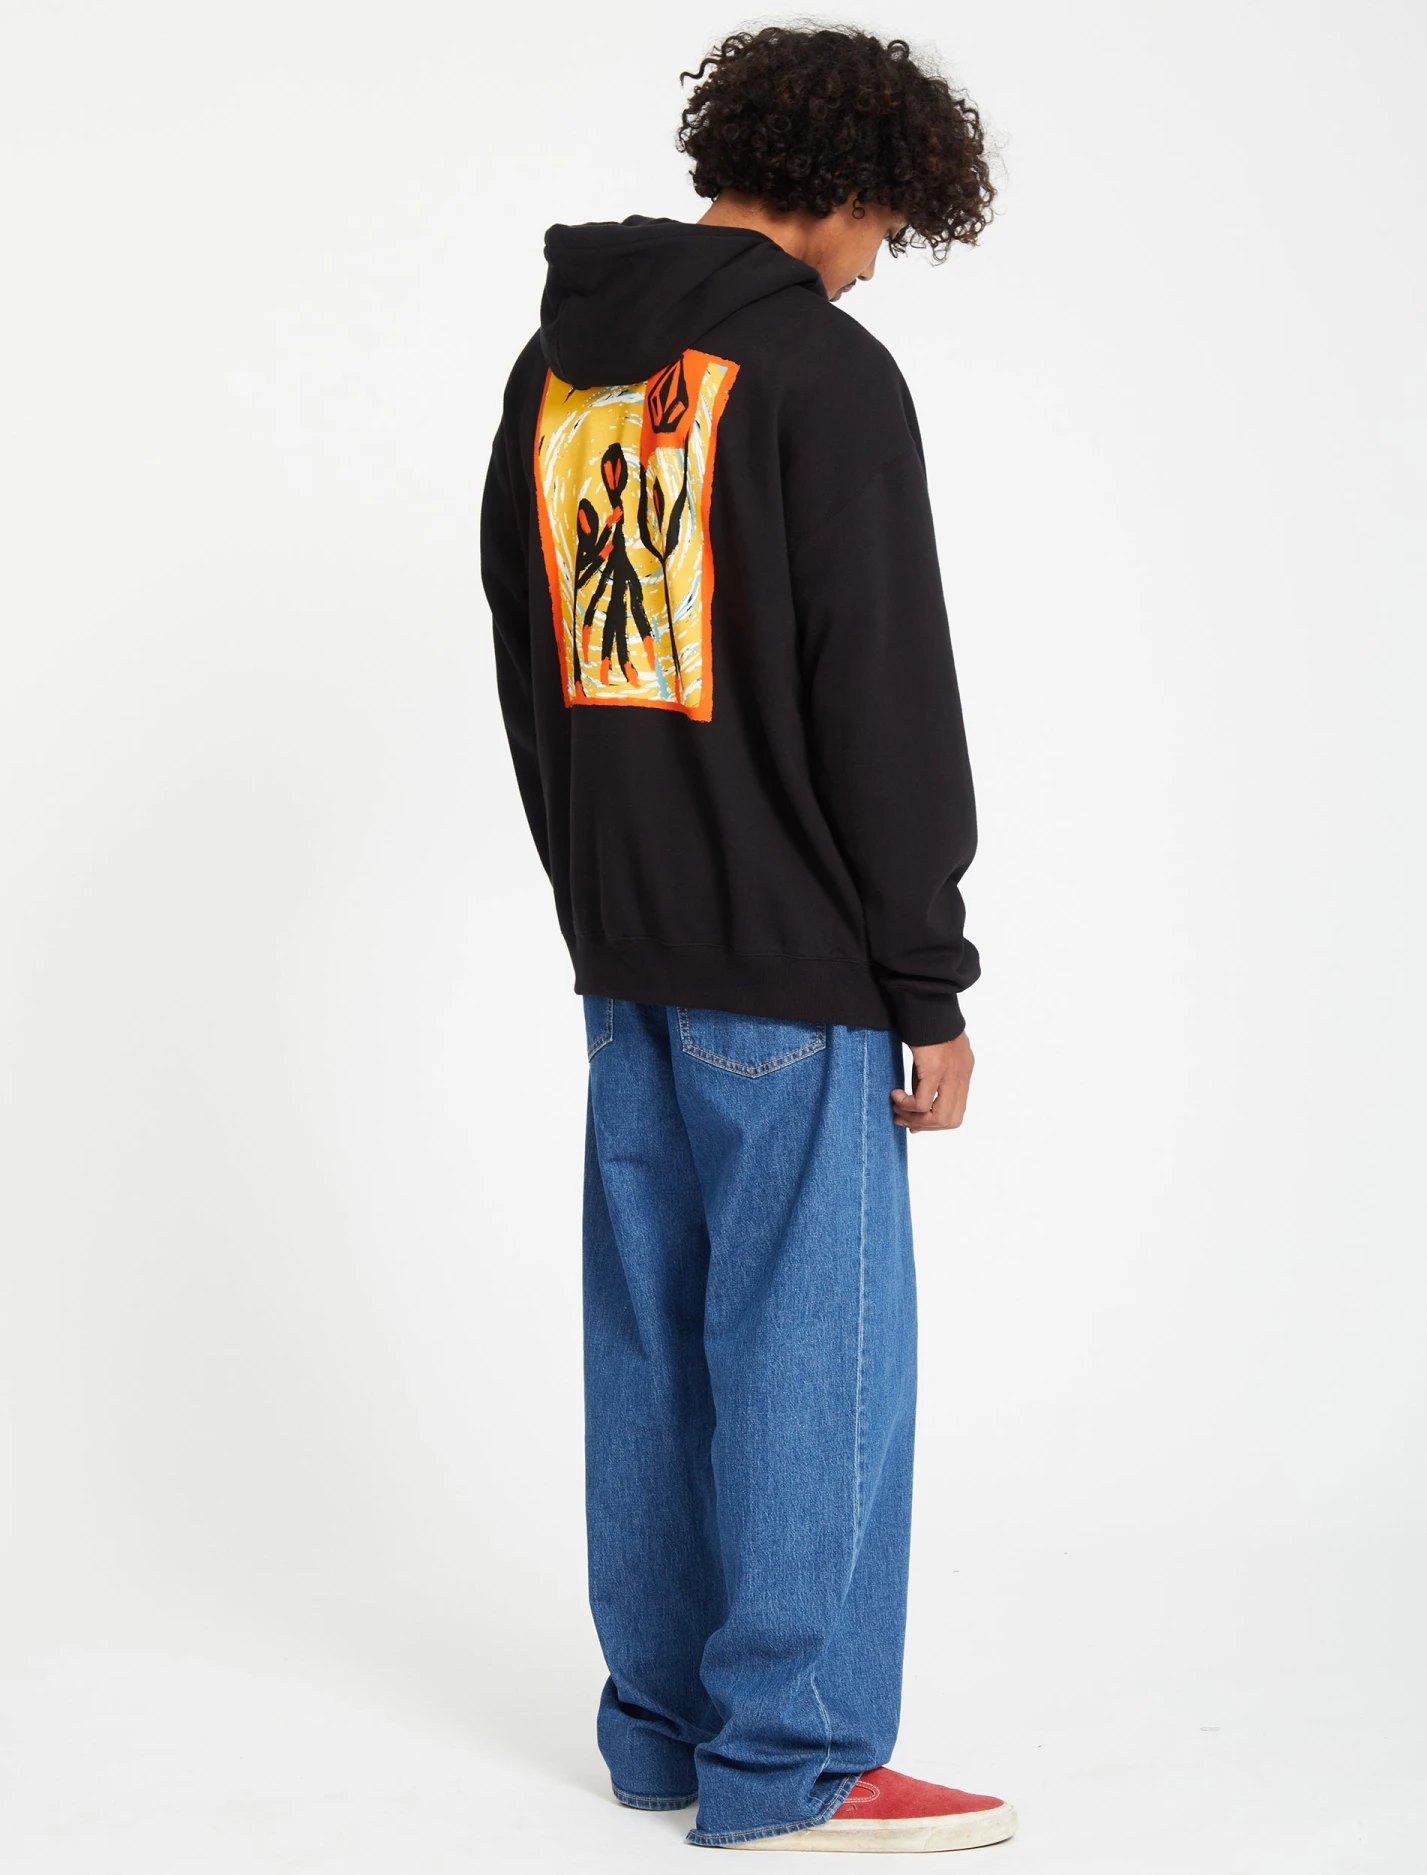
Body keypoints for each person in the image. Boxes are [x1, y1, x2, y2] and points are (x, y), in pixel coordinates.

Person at [480, 24, 1011, 1853]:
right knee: (811, 1355)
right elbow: (885, 697)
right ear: (852, 184)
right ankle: (793, 1756)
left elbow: (532, 667)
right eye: (887, 228)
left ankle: (661, 1730)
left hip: (629, 953)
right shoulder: (819, 372)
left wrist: (596, 899)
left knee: (651, 1339)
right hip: (793, 965)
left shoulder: (558, 372)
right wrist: (925, 977)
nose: (874, 264)